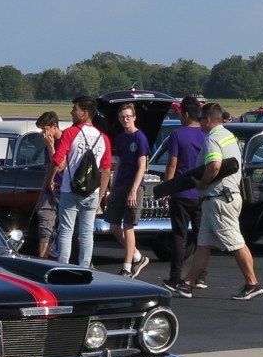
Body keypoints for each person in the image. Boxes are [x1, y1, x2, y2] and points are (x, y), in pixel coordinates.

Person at [173, 103, 262, 301]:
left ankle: (252, 283)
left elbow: (214, 165)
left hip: (219, 199)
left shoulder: (212, 139)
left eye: (202, 119)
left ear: (209, 120)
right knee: (203, 243)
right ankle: (188, 283)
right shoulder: (228, 136)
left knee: (235, 242)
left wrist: (201, 184)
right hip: (221, 198)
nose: (200, 123)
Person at [51, 97, 111, 266]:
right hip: (92, 192)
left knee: (66, 231)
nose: (71, 112)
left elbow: (58, 161)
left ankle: (62, 266)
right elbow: (106, 171)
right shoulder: (103, 138)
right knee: (86, 234)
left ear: (84, 113)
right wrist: (100, 197)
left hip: (70, 189)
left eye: (74, 109)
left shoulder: (71, 132)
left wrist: (50, 146)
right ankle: (85, 268)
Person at [162, 98, 209, 287]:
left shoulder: (177, 135)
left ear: (186, 114)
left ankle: (175, 276)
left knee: (179, 237)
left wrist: (166, 188)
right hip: (201, 192)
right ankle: (201, 275)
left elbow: (172, 163)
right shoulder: (207, 135)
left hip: (181, 193)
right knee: (201, 237)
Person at [104, 101, 152, 278]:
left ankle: (127, 266)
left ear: (134, 117)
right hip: (120, 185)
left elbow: (142, 166)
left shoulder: (140, 138)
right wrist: (112, 188)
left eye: (129, 116)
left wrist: (134, 189)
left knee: (128, 226)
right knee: (113, 226)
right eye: (123, 117)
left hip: (134, 187)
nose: (126, 119)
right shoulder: (120, 138)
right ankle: (138, 255)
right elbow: (119, 164)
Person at [28, 110, 61, 258]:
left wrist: (51, 147)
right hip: (50, 189)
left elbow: (60, 165)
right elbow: (49, 169)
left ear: (54, 126)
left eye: (45, 130)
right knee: (44, 224)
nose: (43, 134)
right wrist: (42, 195)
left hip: (64, 188)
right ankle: (43, 259)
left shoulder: (63, 140)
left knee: (66, 228)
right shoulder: (48, 142)